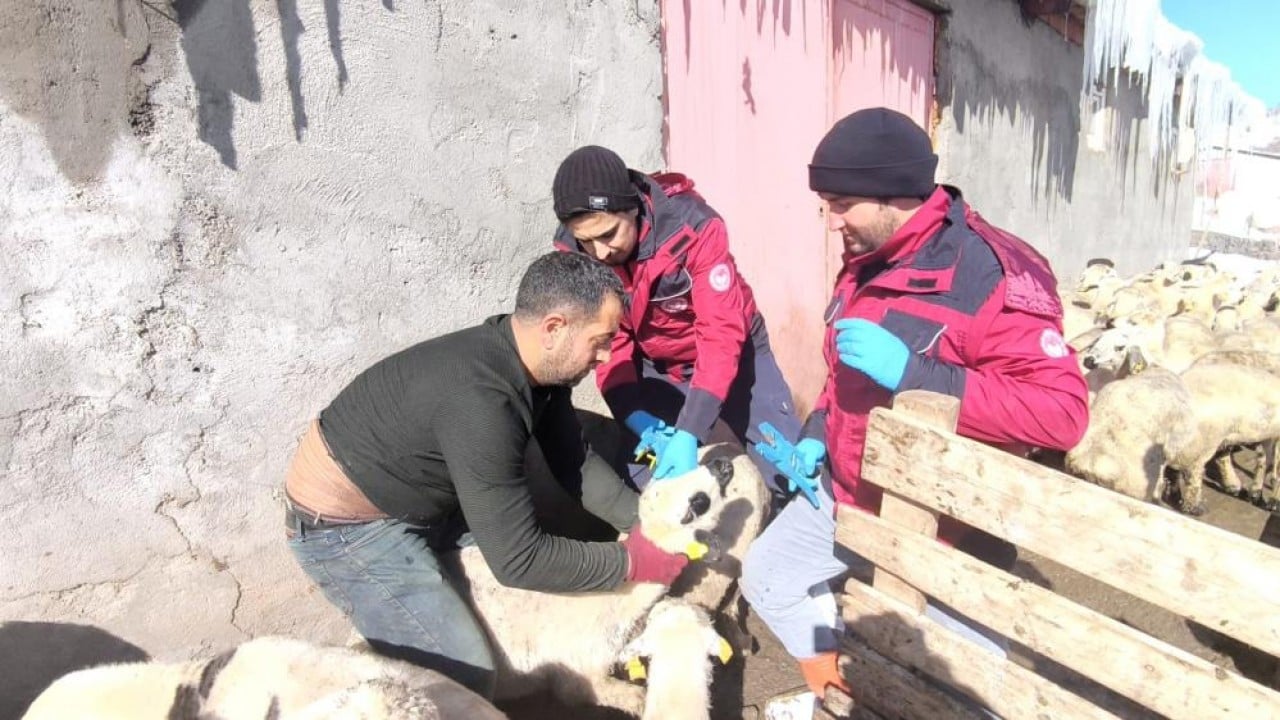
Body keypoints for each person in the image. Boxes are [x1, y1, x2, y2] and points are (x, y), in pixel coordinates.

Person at [741, 108, 1090, 702]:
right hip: (848, 493)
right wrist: (816, 433)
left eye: (841, 202)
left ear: (892, 195)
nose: (831, 221)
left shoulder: (993, 274)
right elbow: (843, 378)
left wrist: (916, 374)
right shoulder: (868, 258)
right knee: (769, 576)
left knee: (964, 686)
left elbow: (1062, 412)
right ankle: (845, 694)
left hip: (949, 525)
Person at [282, 251, 690, 699]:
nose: (608, 354)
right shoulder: (482, 402)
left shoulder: (534, 367)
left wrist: (644, 522)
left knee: (540, 597)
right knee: (469, 676)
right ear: (554, 327)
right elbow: (519, 560)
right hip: (345, 532)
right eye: (601, 339)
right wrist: (633, 562)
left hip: (414, 498)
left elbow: (572, 459)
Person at [551, 145, 801, 491]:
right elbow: (610, 345)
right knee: (655, 483)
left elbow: (721, 333)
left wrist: (690, 431)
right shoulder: (577, 255)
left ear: (633, 208)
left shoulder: (693, 228)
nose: (600, 252)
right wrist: (633, 415)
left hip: (733, 350)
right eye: (586, 241)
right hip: (656, 364)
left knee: (784, 473)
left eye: (609, 234)